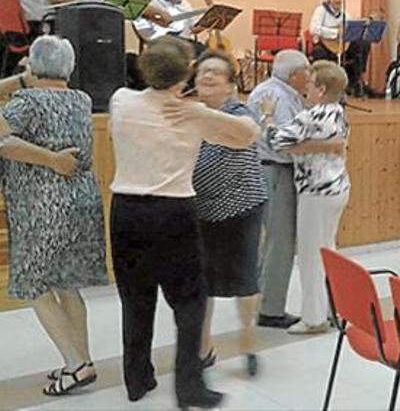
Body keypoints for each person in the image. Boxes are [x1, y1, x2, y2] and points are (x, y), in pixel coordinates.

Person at [108, 36, 259, 407]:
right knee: (190, 303)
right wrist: (202, 112)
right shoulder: (190, 115)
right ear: (186, 74)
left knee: (135, 300)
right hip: (174, 212)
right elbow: (249, 135)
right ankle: (189, 386)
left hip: (126, 210)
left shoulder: (120, 101)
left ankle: (137, 379)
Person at [0, 36, 106, 397]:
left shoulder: (25, 103)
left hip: (41, 205)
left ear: (32, 64)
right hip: (82, 201)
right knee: (66, 283)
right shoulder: (82, 99)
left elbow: (5, 143)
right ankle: (81, 358)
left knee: (33, 285)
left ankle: (76, 365)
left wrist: (49, 159)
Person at [191, 50, 268, 377]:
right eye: (202, 72)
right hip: (201, 211)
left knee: (244, 281)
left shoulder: (238, 114)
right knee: (201, 283)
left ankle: (248, 344)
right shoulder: (190, 114)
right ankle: (203, 348)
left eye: (216, 73)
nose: (207, 77)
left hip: (241, 210)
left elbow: (212, 165)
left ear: (229, 85)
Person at [269, 60, 351, 334]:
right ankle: (335, 308)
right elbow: (335, 145)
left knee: (310, 256)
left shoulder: (310, 116)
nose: (306, 88)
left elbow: (277, 141)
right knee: (328, 250)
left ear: (321, 89)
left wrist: (267, 117)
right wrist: (320, 147)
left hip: (315, 191)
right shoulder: (339, 111)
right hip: (337, 188)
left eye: (311, 83)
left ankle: (314, 318)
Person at [245, 50, 310, 329]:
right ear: (294, 74)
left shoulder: (269, 90)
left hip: (265, 169)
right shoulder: (279, 98)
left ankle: (259, 298)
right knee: (280, 242)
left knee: (270, 241)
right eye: (307, 71)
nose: (310, 76)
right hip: (275, 170)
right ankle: (271, 309)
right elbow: (282, 142)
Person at [309, 0, 370, 97]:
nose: (338, 0)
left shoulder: (344, 13)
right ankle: (323, 84)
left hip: (340, 47)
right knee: (318, 52)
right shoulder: (321, 11)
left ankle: (354, 80)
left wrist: (363, 24)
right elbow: (313, 28)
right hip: (324, 46)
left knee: (362, 44)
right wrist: (335, 33)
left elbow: (351, 27)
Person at [133, 0, 206, 44]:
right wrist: (161, 14)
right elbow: (138, 10)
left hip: (186, 42)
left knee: (206, 51)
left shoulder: (185, 4)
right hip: (163, 41)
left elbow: (194, 28)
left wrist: (208, 22)